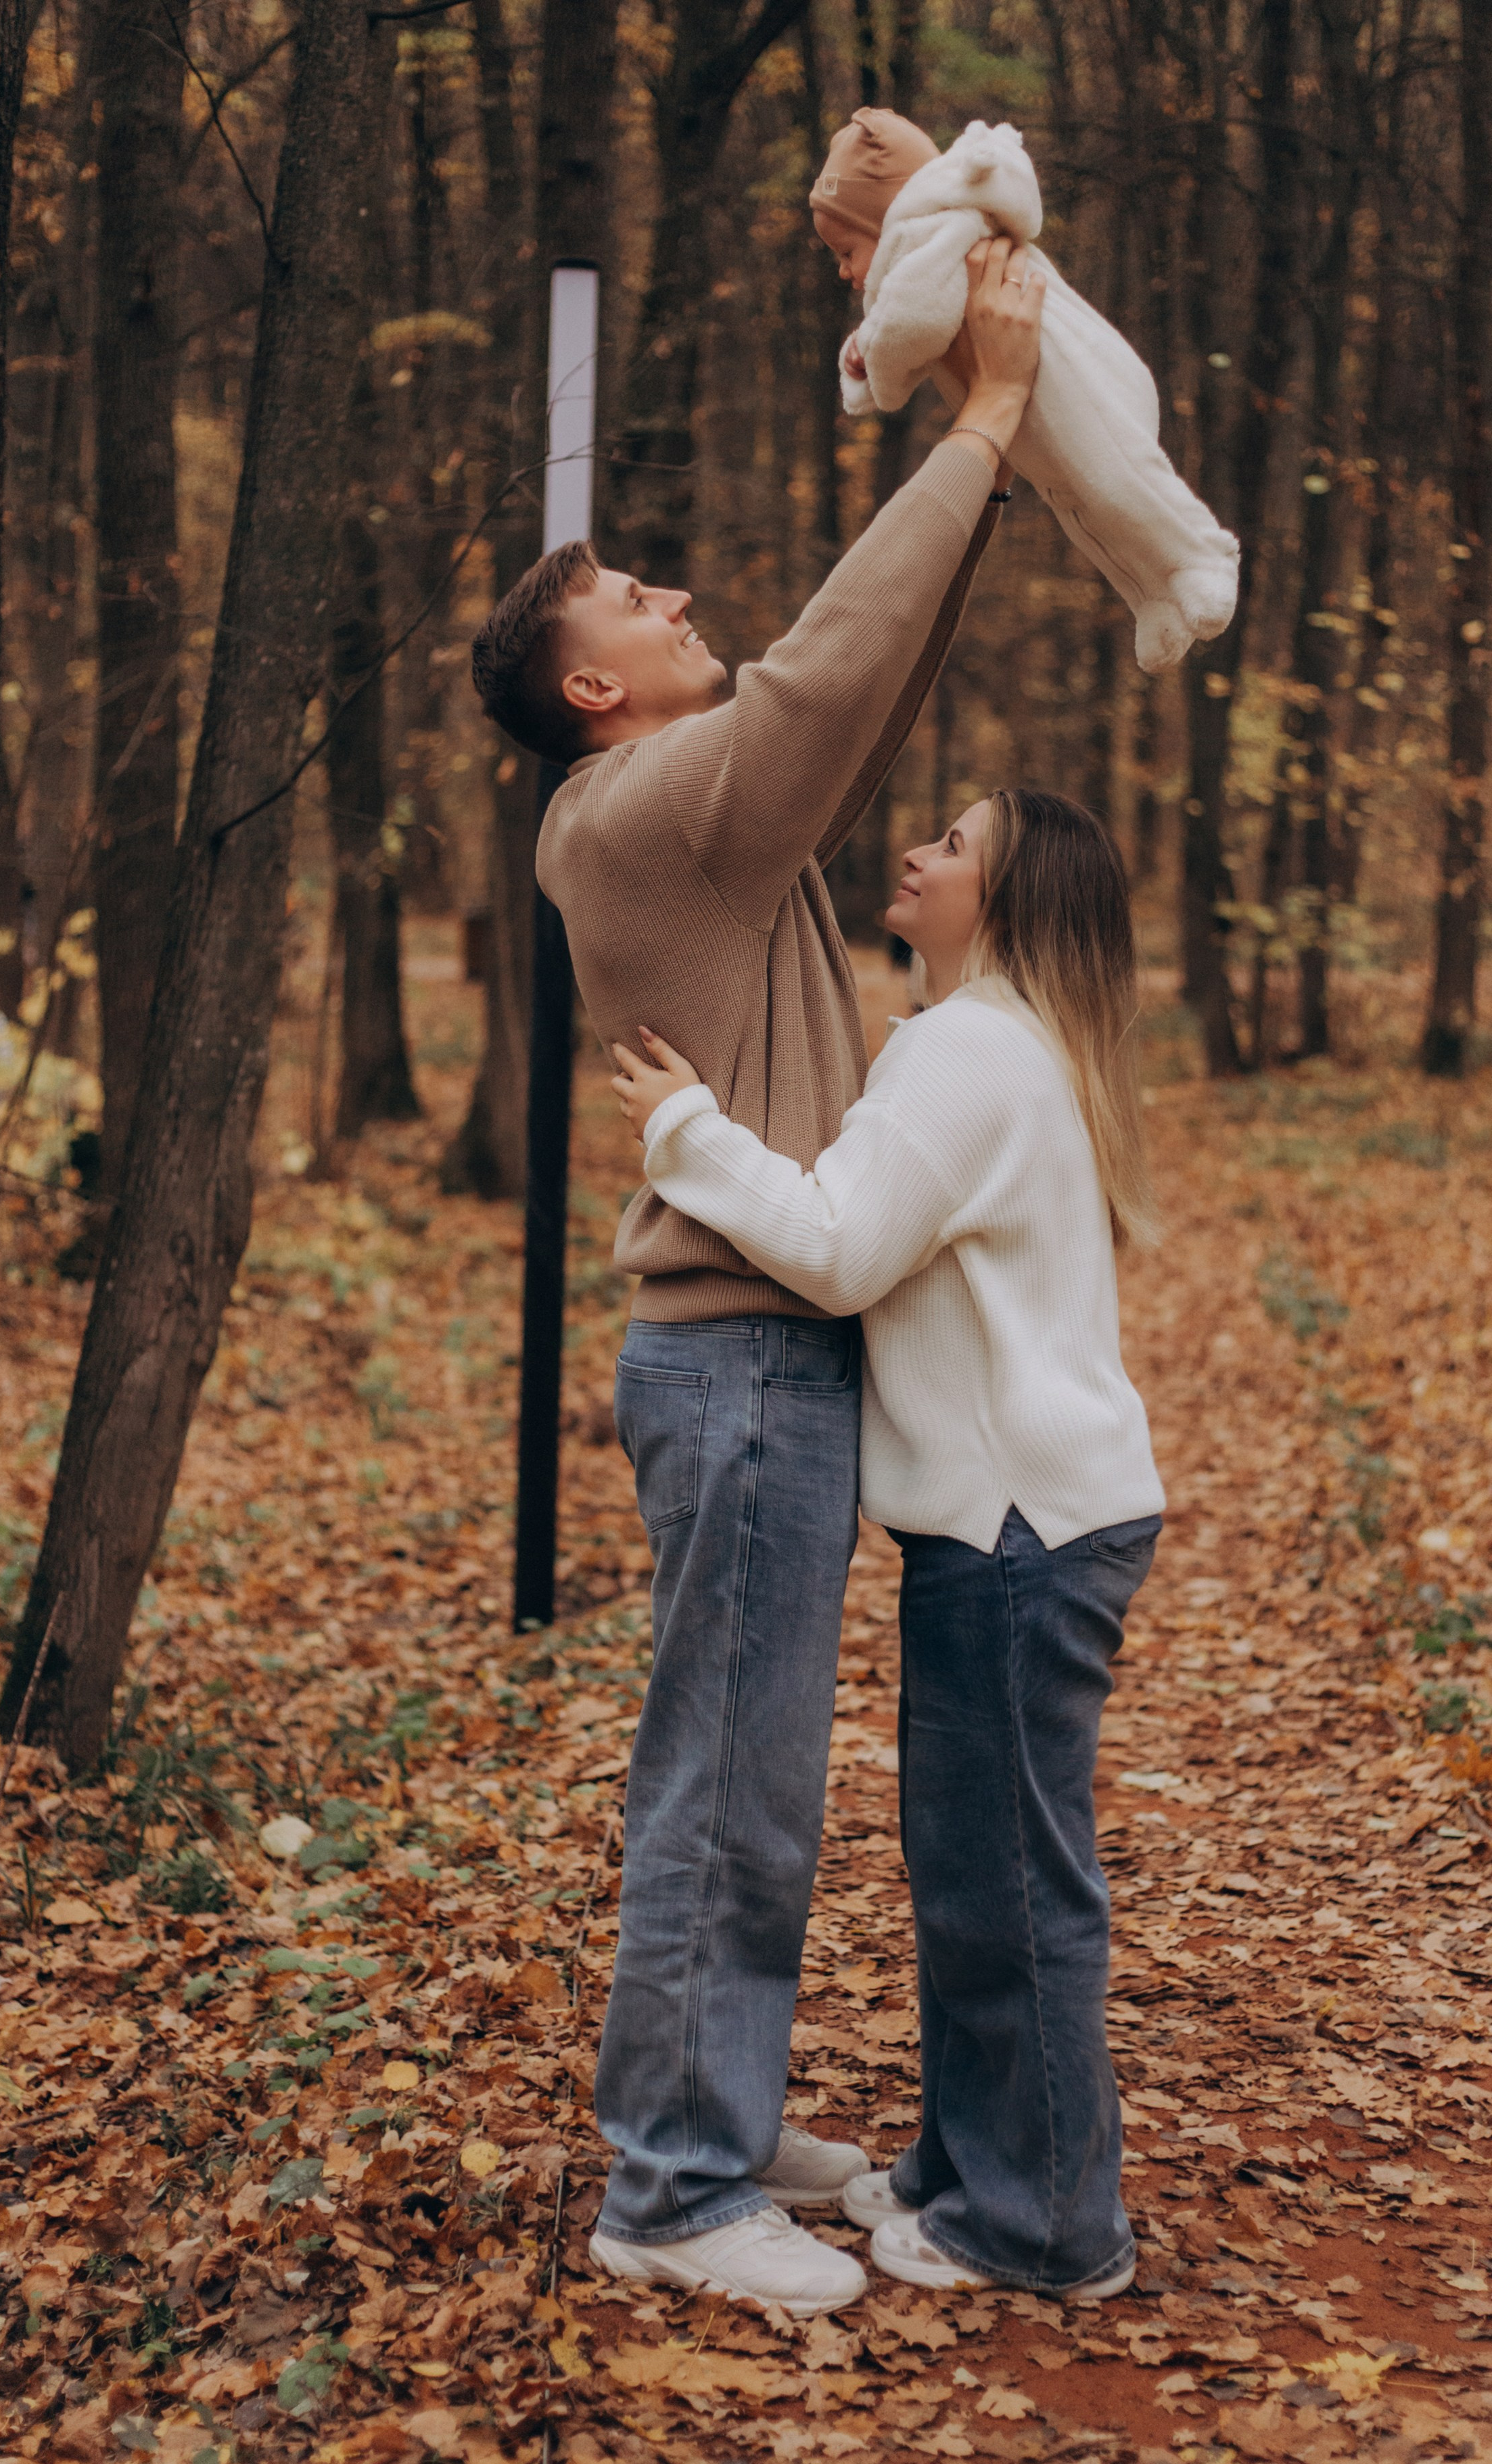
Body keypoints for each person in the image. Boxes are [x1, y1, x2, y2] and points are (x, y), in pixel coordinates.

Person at [468, 239, 1046, 2317]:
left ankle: (712, 2100)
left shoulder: (709, 819)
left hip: (774, 1361)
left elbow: (854, 679)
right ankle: (672, 2182)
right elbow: (819, 672)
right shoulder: (636, 816)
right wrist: (971, 422)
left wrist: (987, 460)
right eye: (639, 597)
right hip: (734, 1365)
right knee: (727, 1777)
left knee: (759, 1774)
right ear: (593, 687)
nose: (680, 596)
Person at [610, 787, 1165, 2300]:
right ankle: (970, 2161)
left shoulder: (965, 1046)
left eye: (953, 847)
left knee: (1006, 1881)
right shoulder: (994, 1040)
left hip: (1014, 1527)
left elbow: (841, 1247)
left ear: (1000, 898)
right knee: (974, 1862)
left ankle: (1047, 2224)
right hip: (1018, 1517)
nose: (914, 856)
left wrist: (685, 1134)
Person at [810, 107, 1239, 674]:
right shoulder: (926, 250)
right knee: (1081, 509)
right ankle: (1151, 597)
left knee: (1118, 485)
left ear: (888, 219)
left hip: (1081, 387)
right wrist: (867, 352)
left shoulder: (937, 235)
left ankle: (1205, 554)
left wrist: (874, 369)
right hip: (1037, 412)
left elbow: (914, 324)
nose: (844, 272)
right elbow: (908, 322)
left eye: (846, 251)